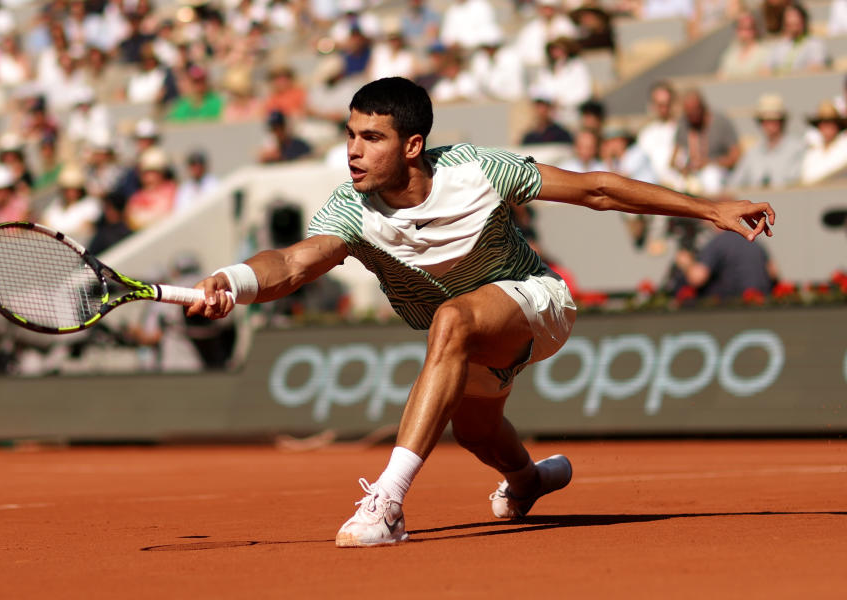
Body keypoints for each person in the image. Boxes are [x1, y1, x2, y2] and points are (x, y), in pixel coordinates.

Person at [185, 77, 775, 548]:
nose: (353, 151)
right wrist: (234, 282)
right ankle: (529, 480)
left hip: (536, 301)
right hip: (471, 332)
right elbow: (292, 264)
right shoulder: (352, 207)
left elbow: (595, 190)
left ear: (412, 145)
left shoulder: (478, 170)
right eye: (350, 135)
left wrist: (709, 210)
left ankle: (387, 505)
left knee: (453, 320)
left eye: (371, 138)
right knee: (476, 430)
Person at [670, 88, 740, 195]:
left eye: (695, 110)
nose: (692, 115)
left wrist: (710, 163)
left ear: (702, 107)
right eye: (689, 112)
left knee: (710, 176)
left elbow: (735, 156)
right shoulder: (683, 124)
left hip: (718, 172)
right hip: (690, 173)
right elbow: (673, 159)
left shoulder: (720, 122)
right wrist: (682, 168)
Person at [727, 93, 803, 189]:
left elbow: (796, 181)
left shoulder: (797, 148)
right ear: (760, 122)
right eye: (765, 120)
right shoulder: (753, 152)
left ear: (782, 121)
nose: (770, 125)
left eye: (774, 120)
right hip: (756, 202)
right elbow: (735, 183)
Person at [766, 3, 828, 74]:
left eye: (796, 23)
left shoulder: (815, 43)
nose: (792, 20)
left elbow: (816, 67)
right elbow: (765, 69)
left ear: (803, 21)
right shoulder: (777, 46)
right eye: (789, 24)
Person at [801, 100, 847, 185]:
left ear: (837, 125)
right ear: (819, 126)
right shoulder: (812, 152)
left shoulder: (845, 147)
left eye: (831, 123)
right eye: (824, 123)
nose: (827, 127)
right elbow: (806, 179)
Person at [717, 11, 769, 79]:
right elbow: (720, 76)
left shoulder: (763, 52)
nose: (744, 33)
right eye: (741, 28)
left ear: (755, 30)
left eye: (748, 29)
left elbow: (765, 78)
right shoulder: (730, 53)